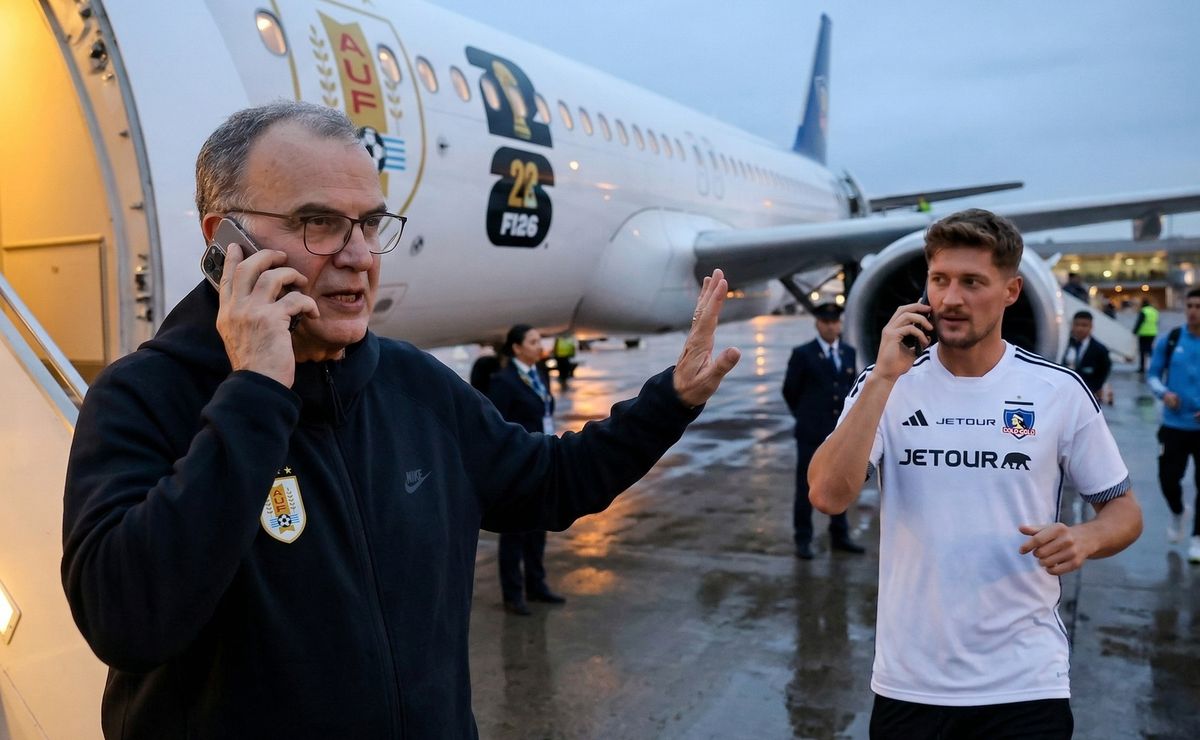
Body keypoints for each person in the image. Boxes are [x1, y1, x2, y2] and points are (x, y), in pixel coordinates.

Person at [60, 101, 741, 738]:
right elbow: (126, 621)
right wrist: (256, 392)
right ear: (224, 241)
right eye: (319, 222)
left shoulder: (413, 384)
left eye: (369, 223)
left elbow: (552, 481)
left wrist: (671, 400)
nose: (358, 255)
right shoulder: (143, 397)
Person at [809, 208, 1142, 739]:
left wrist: (1086, 537)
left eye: (972, 282)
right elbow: (828, 495)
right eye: (939, 280)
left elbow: (1123, 512)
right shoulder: (886, 384)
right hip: (911, 683)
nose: (950, 298)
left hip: (1026, 684)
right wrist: (883, 379)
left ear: (1011, 291)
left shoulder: (1057, 391)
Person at [488, 324, 566, 615]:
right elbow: (497, 427)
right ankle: (512, 594)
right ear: (517, 348)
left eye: (539, 341)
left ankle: (536, 584)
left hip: (541, 458)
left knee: (538, 526)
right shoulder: (503, 381)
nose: (539, 346)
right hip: (518, 465)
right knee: (514, 532)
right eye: (533, 342)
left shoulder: (539, 373)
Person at [781, 302, 865, 559]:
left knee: (839, 485)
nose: (831, 327)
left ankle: (840, 535)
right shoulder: (803, 354)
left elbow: (851, 389)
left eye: (835, 322)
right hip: (811, 433)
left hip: (838, 434)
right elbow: (790, 390)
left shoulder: (849, 352)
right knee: (805, 487)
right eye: (826, 322)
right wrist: (805, 417)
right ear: (817, 324)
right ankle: (803, 538)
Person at [1146, 287, 1200, 562]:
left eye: (1198, 307)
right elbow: (1153, 375)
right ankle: (1178, 511)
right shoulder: (1171, 340)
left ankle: (1197, 538)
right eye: (1190, 306)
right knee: (1168, 479)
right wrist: (1163, 393)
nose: (1193, 312)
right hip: (1173, 426)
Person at [1060, 310, 1111, 401]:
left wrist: (1091, 391)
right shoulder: (1063, 345)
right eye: (1077, 325)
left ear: (1091, 327)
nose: (1080, 329)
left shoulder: (1100, 350)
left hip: (1088, 395)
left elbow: (1103, 372)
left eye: (1084, 325)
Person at [1133, 297, 1159, 375]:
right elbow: (1157, 322)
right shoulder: (1154, 311)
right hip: (1153, 333)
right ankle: (1154, 366)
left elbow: (1139, 322)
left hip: (1144, 333)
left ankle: (1142, 368)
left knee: (1142, 351)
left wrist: (1134, 331)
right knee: (1150, 350)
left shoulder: (1143, 311)